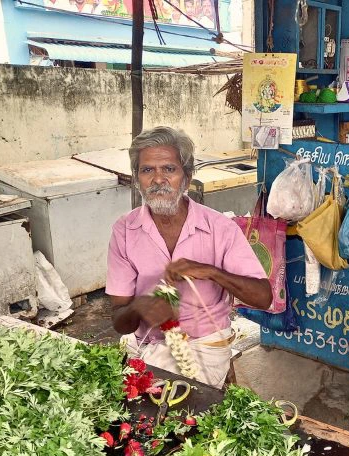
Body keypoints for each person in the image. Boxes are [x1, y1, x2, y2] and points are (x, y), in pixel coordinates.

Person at [106, 126, 272, 388]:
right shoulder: (125, 231)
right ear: (137, 178)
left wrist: (211, 271)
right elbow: (119, 321)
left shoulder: (220, 228)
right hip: (146, 344)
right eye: (147, 170)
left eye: (169, 169)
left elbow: (263, 297)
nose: (158, 179)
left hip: (204, 345)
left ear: (187, 176)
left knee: (181, 410)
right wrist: (140, 307)